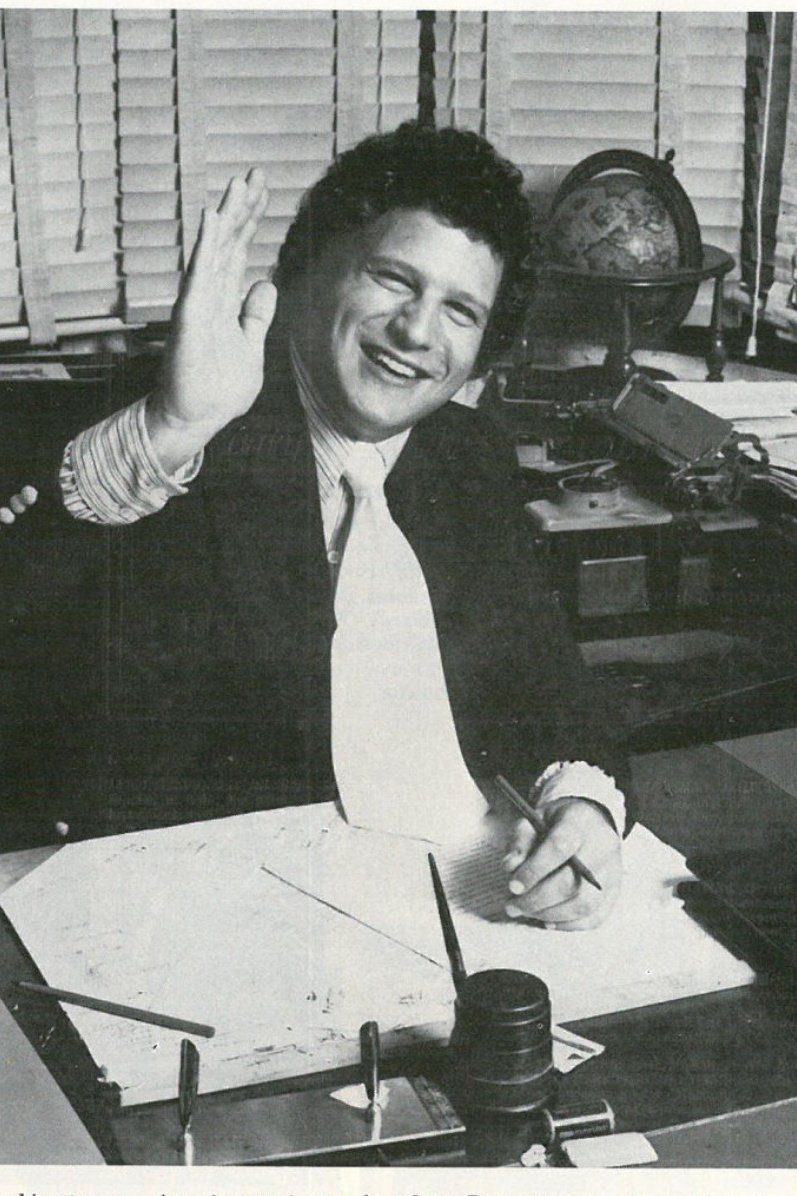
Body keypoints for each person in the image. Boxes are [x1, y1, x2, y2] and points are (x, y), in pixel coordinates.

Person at [3, 123, 632, 929]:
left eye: (459, 311)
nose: (417, 333)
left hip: (434, 904)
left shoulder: (466, 453)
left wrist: (583, 807)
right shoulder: (172, 417)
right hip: (170, 912)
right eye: (392, 278)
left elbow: (546, 681)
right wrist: (170, 431)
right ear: (307, 268)